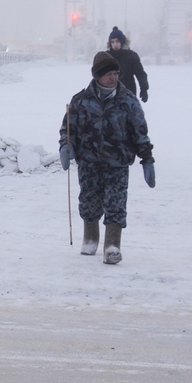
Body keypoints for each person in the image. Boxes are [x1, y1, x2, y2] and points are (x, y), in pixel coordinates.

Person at [60, 51, 155, 264]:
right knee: (89, 200)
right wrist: (66, 147)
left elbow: (140, 132)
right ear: (97, 76)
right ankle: (90, 237)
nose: (113, 77)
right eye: (108, 74)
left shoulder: (128, 101)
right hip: (88, 162)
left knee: (116, 202)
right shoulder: (80, 101)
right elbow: (68, 130)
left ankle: (112, 245)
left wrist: (147, 159)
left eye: (115, 73)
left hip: (118, 162)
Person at [106, 26, 149, 102]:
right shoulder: (106, 56)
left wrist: (144, 88)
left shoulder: (131, 56)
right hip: (110, 95)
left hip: (128, 93)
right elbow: (99, 76)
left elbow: (140, 73)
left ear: (122, 41)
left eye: (117, 41)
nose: (115, 44)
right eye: (112, 42)